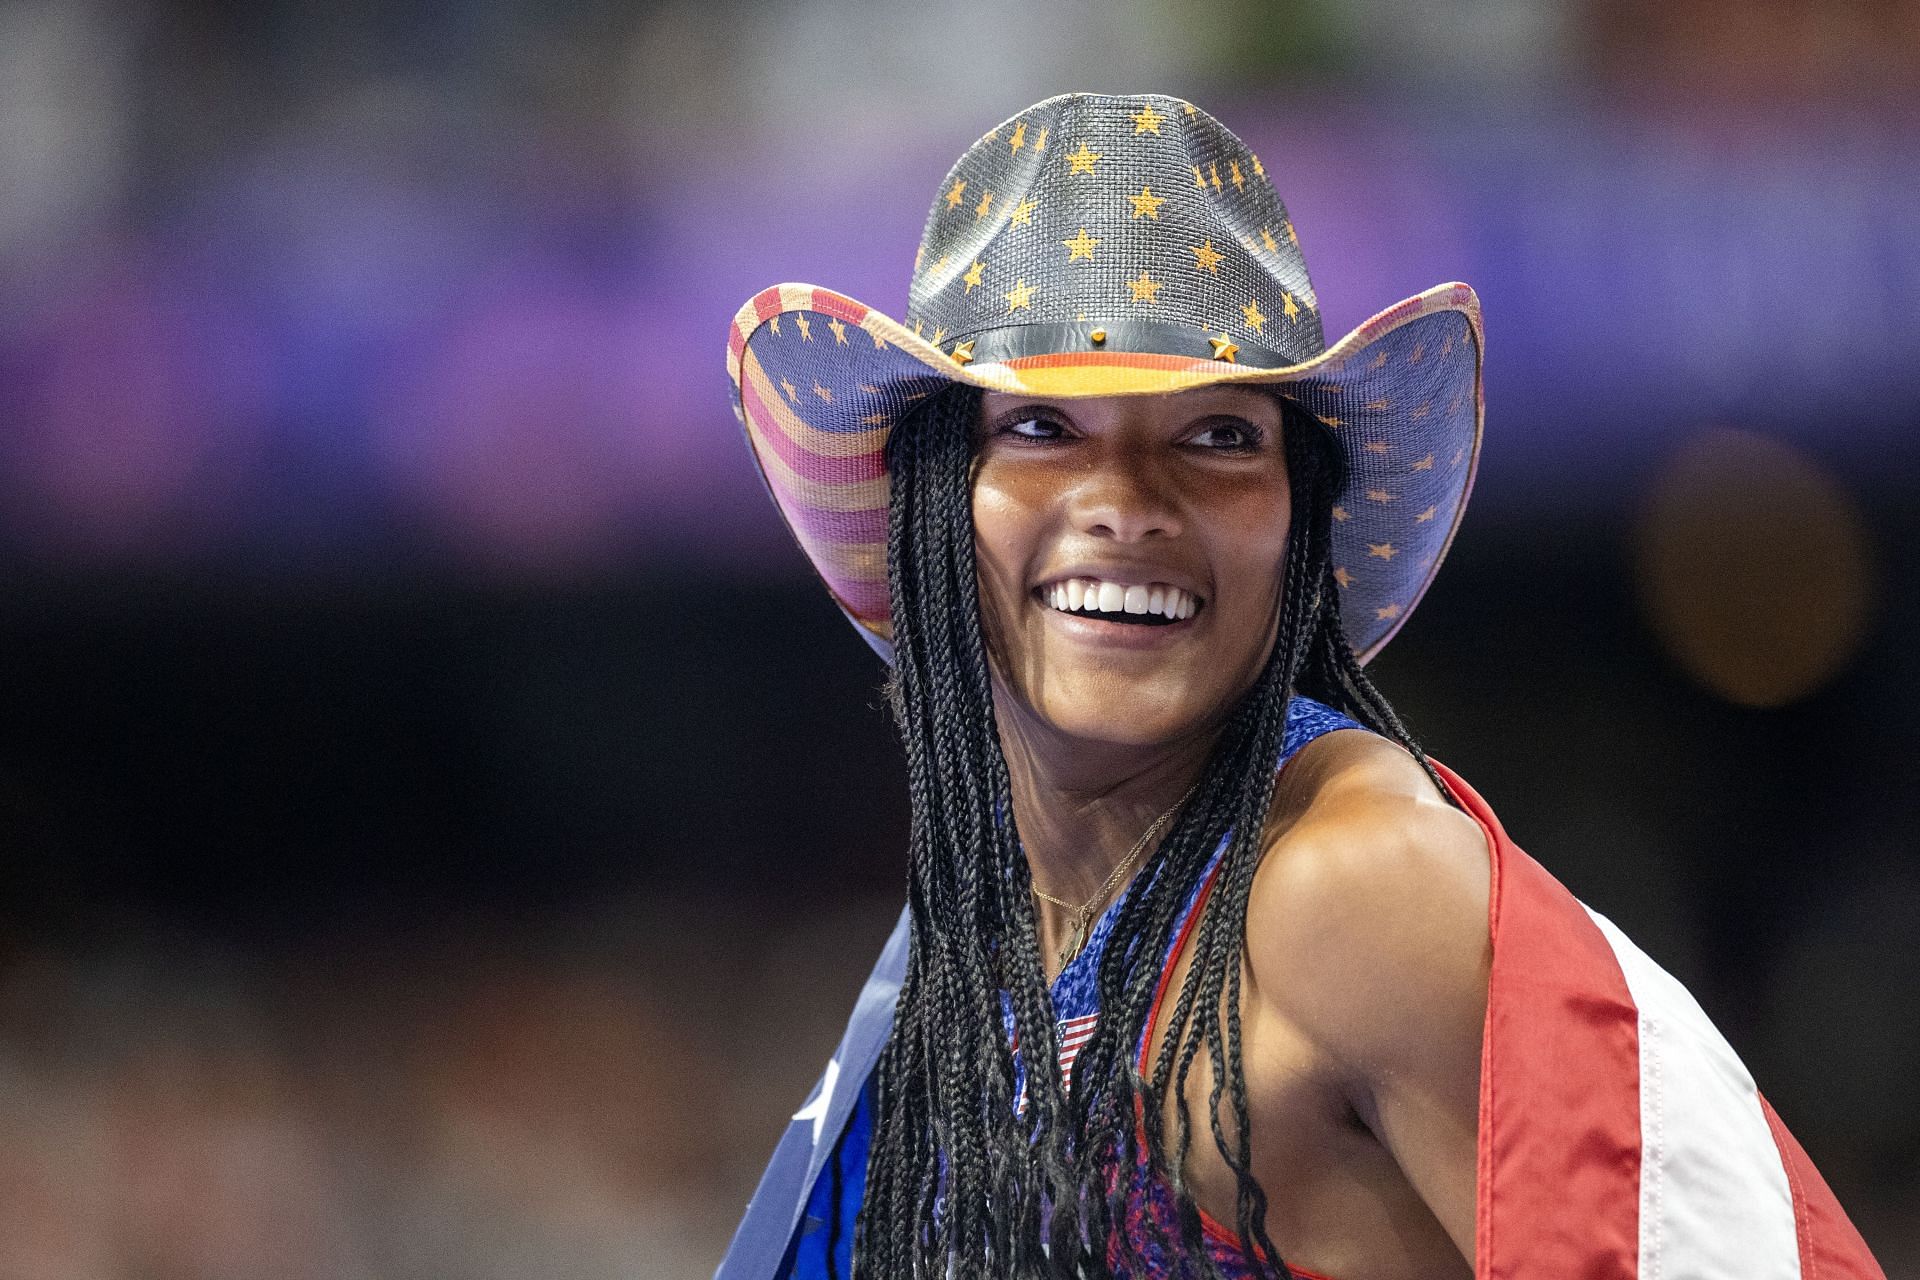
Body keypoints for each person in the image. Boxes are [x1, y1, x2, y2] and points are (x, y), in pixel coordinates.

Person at [714, 93, 1883, 1280]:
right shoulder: (984, 942)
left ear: (1303, 518)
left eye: (1219, 436)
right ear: (929, 507)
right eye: (1042, 427)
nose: (1124, 498)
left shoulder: (1360, 891)